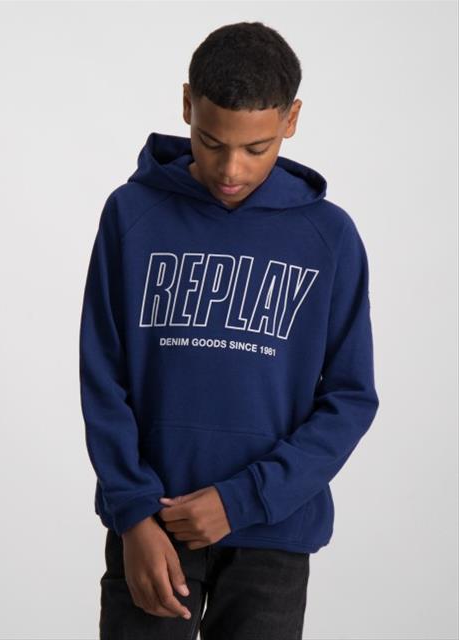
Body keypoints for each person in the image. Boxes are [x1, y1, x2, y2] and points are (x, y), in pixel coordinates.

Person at [79, 20, 379, 640]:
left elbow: (351, 398)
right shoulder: (133, 215)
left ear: (291, 120)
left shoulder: (329, 237)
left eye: (256, 148)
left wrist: (243, 500)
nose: (231, 169)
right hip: (154, 524)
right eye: (211, 143)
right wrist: (132, 513)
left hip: (272, 529)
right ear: (187, 104)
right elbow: (102, 378)